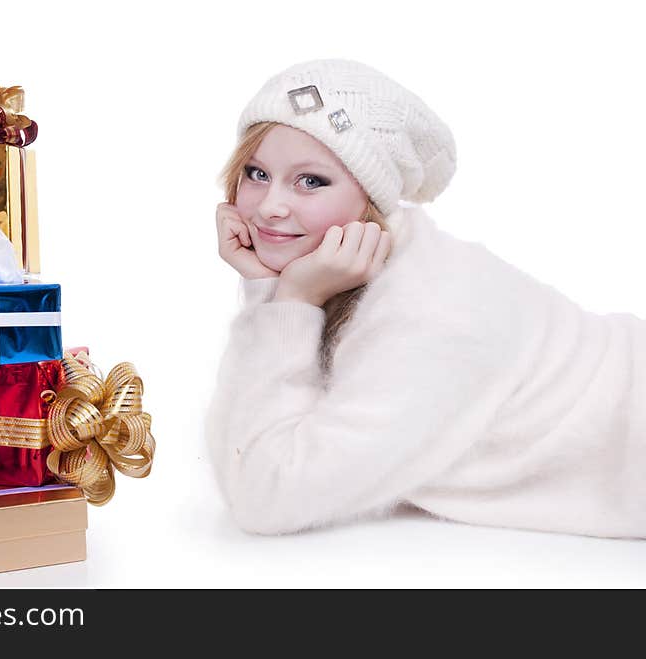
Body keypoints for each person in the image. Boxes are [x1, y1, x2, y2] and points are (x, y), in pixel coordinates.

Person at [206, 59, 645, 539]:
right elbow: (243, 451)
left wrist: (287, 300)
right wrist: (271, 292)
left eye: (312, 180)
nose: (270, 206)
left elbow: (264, 495)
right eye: (255, 172)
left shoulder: (430, 313)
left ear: (371, 198)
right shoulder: (354, 275)